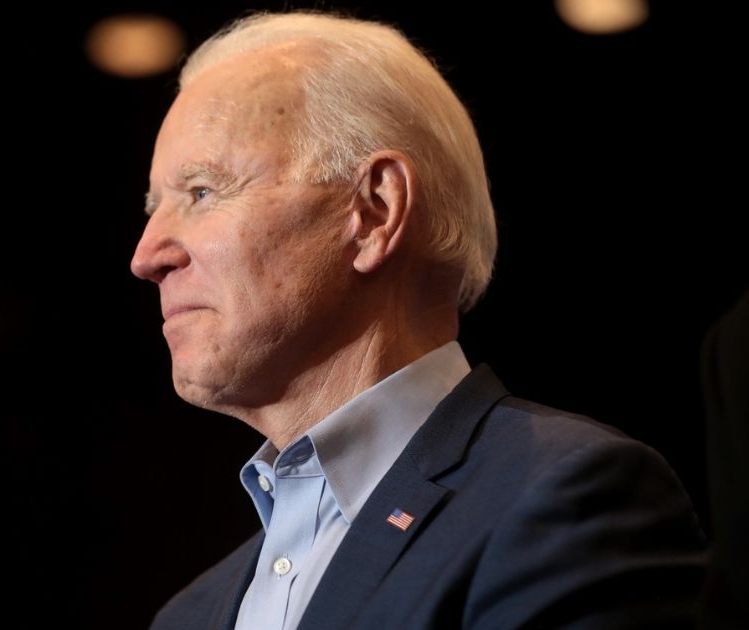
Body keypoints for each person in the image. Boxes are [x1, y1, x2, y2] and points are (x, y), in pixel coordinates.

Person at [130, 12, 706, 629]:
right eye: (153, 206)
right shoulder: (185, 616)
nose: (146, 256)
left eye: (201, 193)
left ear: (375, 211)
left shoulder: (566, 499)